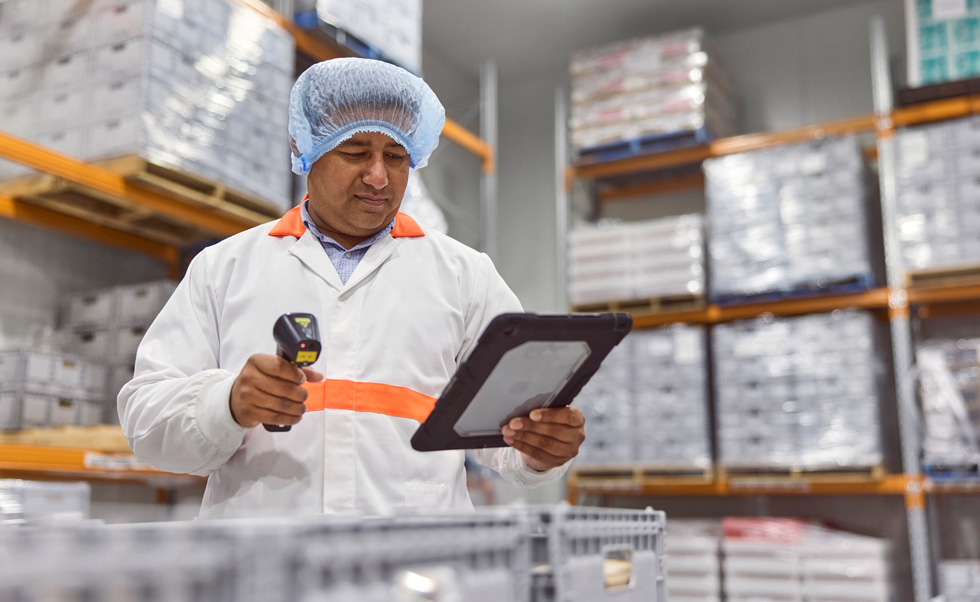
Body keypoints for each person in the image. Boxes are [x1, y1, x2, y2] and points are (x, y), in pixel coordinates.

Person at [118, 58, 586, 518]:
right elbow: (145, 419)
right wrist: (228, 404)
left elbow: (513, 424)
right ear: (306, 148)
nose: (378, 176)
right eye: (356, 152)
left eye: (396, 156)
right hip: (267, 558)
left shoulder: (465, 275)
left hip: (413, 559)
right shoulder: (224, 268)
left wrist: (541, 448)